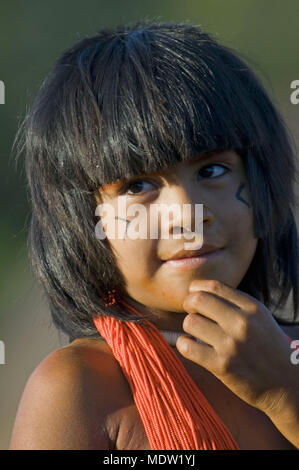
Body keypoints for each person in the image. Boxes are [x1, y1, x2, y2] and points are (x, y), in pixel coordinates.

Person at [9, 20, 299, 450]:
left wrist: (286, 395)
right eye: (136, 186)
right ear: (82, 219)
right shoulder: (80, 390)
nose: (187, 214)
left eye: (212, 170)